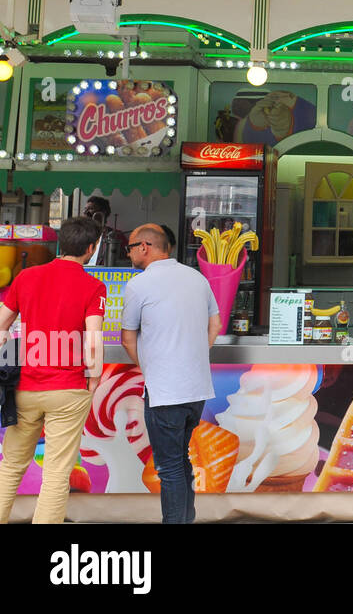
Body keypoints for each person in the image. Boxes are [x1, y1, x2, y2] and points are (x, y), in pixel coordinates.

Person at [0, 217, 105, 524]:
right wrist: (94, 379)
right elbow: (94, 342)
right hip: (68, 388)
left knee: (10, 466)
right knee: (57, 474)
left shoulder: (27, 277)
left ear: (61, 242)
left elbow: (2, 324)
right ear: (91, 248)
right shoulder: (93, 286)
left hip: (26, 388)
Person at [120, 224, 221, 524]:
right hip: (197, 389)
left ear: (145, 246)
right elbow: (214, 326)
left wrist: (152, 369)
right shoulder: (197, 278)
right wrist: (192, 358)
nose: (128, 253)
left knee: (169, 467)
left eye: (130, 247)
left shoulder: (139, 285)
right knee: (181, 460)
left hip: (166, 392)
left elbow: (127, 339)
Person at [83, 195, 127, 267]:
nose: (85, 212)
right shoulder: (80, 234)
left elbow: (124, 259)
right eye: (85, 209)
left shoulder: (116, 235)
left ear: (103, 212)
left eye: (90, 208)